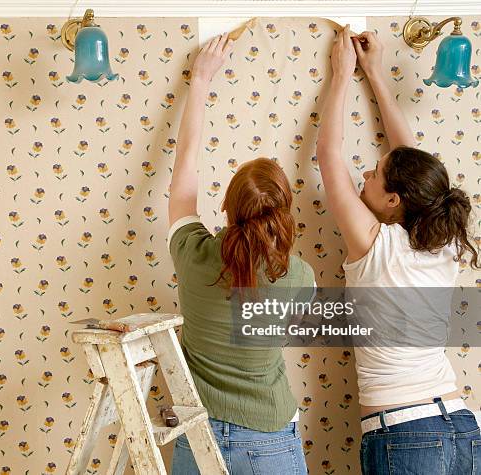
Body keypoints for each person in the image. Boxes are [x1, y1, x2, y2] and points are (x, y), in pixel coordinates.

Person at [316, 25, 481, 474]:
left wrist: (342, 74)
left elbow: (329, 154)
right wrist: (375, 72)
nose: (363, 176)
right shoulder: (441, 242)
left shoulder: (374, 245)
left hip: (406, 434)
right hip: (462, 423)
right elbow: (413, 162)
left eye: (371, 174)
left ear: (393, 201)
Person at [168, 33, 315, 474]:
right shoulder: (300, 278)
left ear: (226, 207)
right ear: (285, 213)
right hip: (269, 439)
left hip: (198, 439)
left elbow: (185, 167)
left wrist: (200, 82)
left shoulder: (192, 254)